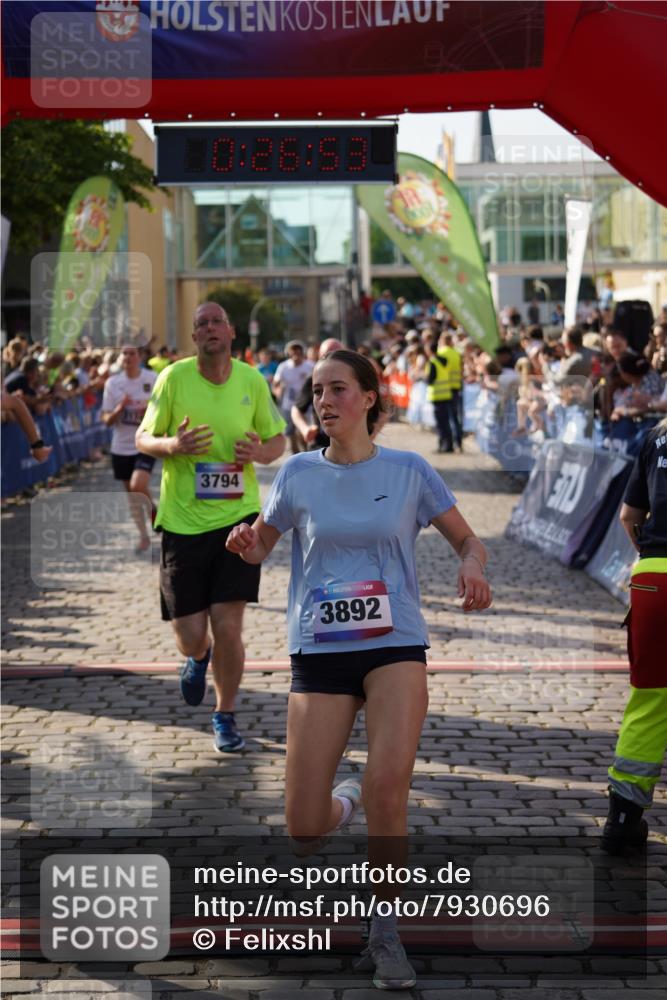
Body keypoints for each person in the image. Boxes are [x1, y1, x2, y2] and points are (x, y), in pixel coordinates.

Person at [226, 349, 491, 989]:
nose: (325, 401)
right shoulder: (295, 473)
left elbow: (467, 537)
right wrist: (245, 543)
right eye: (318, 391)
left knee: (389, 787)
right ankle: (338, 805)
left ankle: (385, 932)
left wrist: (473, 565)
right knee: (303, 828)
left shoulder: (408, 470)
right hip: (319, 648)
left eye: (338, 389)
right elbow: (263, 541)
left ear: (370, 397)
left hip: (395, 640)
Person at [136, 301, 286, 752]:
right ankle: (197, 657)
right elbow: (142, 438)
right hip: (183, 522)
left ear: (231, 331)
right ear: (195, 337)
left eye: (217, 321)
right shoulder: (172, 378)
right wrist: (173, 445)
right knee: (190, 634)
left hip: (237, 521)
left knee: (230, 626)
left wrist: (258, 454)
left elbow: (277, 439)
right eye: (200, 323)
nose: (210, 328)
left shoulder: (251, 380)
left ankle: (226, 715)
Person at [604, 416, 667, 854]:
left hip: (654, 577)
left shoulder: (656, 435)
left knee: (649, 699)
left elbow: (630, 515)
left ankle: (623, 819)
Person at [102, 345, 158, 555]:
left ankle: (154, 510)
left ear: (140, 356)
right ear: (119, 358)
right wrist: (120, 408)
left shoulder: (152, 378)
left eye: (132, 353)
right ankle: (143, 535)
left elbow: (165, 408)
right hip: (121, 447)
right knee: (133, 495)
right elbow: (106, 420)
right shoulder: (113, 383)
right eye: (124, 353)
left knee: (138, 484)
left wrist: (150, 411)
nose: (128, 357)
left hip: (145, 442)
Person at [273, 340, 314, 454]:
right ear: (289, 353)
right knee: (290, 432)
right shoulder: (284, 366)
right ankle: (296, 456)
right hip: (289, 403)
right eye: (293, 350)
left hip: (305, 404)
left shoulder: (310, 366)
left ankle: (307, 452)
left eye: (298, 350)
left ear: (302, 352)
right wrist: (277, 390)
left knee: (303, 431)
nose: (295, 353)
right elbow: (276, 383)